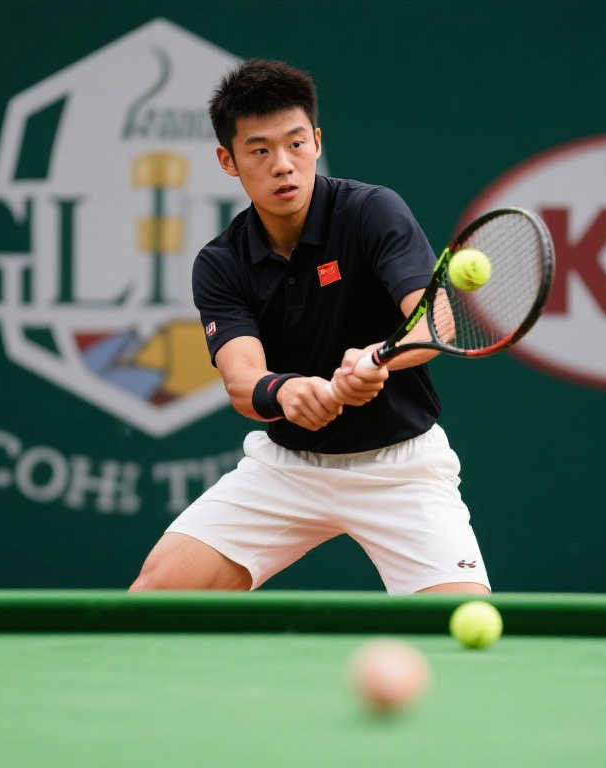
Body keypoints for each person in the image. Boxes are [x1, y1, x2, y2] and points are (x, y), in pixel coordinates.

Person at [129, 60, 490, 595]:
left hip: (401, 468)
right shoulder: (222, 263)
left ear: (316, 143)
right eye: (259, 151)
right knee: (154, 599)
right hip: (286, 470)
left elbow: (434, 320)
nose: (283, 165)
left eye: (296, 144)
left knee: (458, 619)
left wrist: (378, 357)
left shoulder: (372, 212)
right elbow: (242, 381)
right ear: (228, 161)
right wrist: (285, 391)